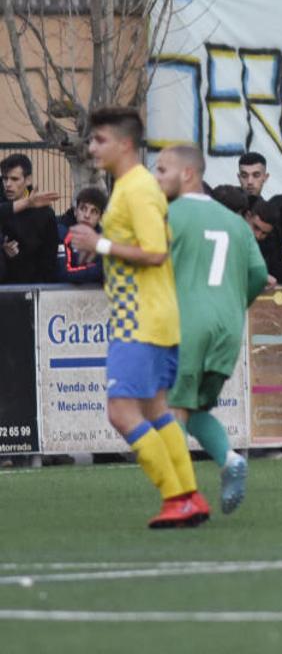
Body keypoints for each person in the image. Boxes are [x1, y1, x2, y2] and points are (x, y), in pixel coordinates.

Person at [67, 107, 209, 528]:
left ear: (125, 144)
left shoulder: (137, 189)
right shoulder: (133, 187)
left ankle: (175, 497)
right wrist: (103, 245)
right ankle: (190, 496)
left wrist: (100, 244)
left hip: (140, 320)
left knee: (120, 412)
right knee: (156, 409)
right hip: (154, 315)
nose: (92, 147)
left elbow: (156, 252)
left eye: (100, 140)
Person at [154, 145, 268, 515]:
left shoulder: (169, 215)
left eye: (163, 170)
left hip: (187, 323)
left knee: (170, 406)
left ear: (188, 173)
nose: (157, 178)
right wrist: (235, 305)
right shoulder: (236, 223)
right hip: (229, 327)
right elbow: (259, 275)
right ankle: (229, 459)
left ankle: (182, 498)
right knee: (194, 406)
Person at [1, 153, 60, 284]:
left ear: (28, 180)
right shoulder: (3, 208)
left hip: (33, 285)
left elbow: (49, 259)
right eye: (5, 179)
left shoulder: (44, 214)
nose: (8, 184)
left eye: (14, 179)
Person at [56, 186, 107, 284]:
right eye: (83, 209)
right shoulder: (61, 232)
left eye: (94, 211)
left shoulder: (104, 238)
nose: (87, 215)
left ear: (100, 217)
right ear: (75, 211)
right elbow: (64, 274)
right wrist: (100, 270)